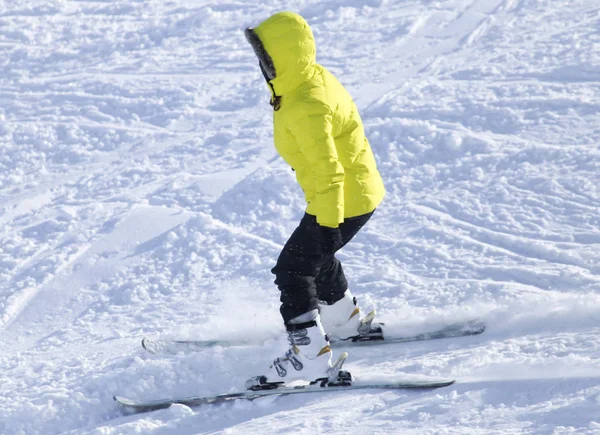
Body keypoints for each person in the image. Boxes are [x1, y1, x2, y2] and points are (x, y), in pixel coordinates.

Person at [244, 11, 385, 383]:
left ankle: (308, 356)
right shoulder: (305, 81)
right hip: (351, 191)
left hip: (341, 196)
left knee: (293, 270)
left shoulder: (306, 104)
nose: (263, 65)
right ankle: (343, 322)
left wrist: (327, 222)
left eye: (268, 58)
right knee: (315, 257)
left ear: (286, 57)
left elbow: (328, 170)